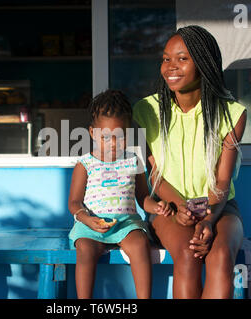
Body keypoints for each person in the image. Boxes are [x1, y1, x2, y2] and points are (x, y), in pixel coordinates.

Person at [132, 25, 247, 299]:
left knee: (220, 257)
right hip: (169, 207)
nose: (171, 66)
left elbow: (222, 180)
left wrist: (208, 219)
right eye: (166, 58)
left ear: (204, 62)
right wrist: (182, 207)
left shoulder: (232, 114)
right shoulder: (146, 111)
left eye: (182, 58)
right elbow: (154, 174)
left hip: (220, 207)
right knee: (188, 254)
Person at [68, 89, 173, 299]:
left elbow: (143, 197)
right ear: (92, 133)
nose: (114, 143)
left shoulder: (133, 161)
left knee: (140, 244)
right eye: (106, 137)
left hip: (126, 224)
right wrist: (87, 219)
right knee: (85, 250)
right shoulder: (85, 164)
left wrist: (157, 206)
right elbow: (74, 202)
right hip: (91, 225)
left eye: (121, 136)